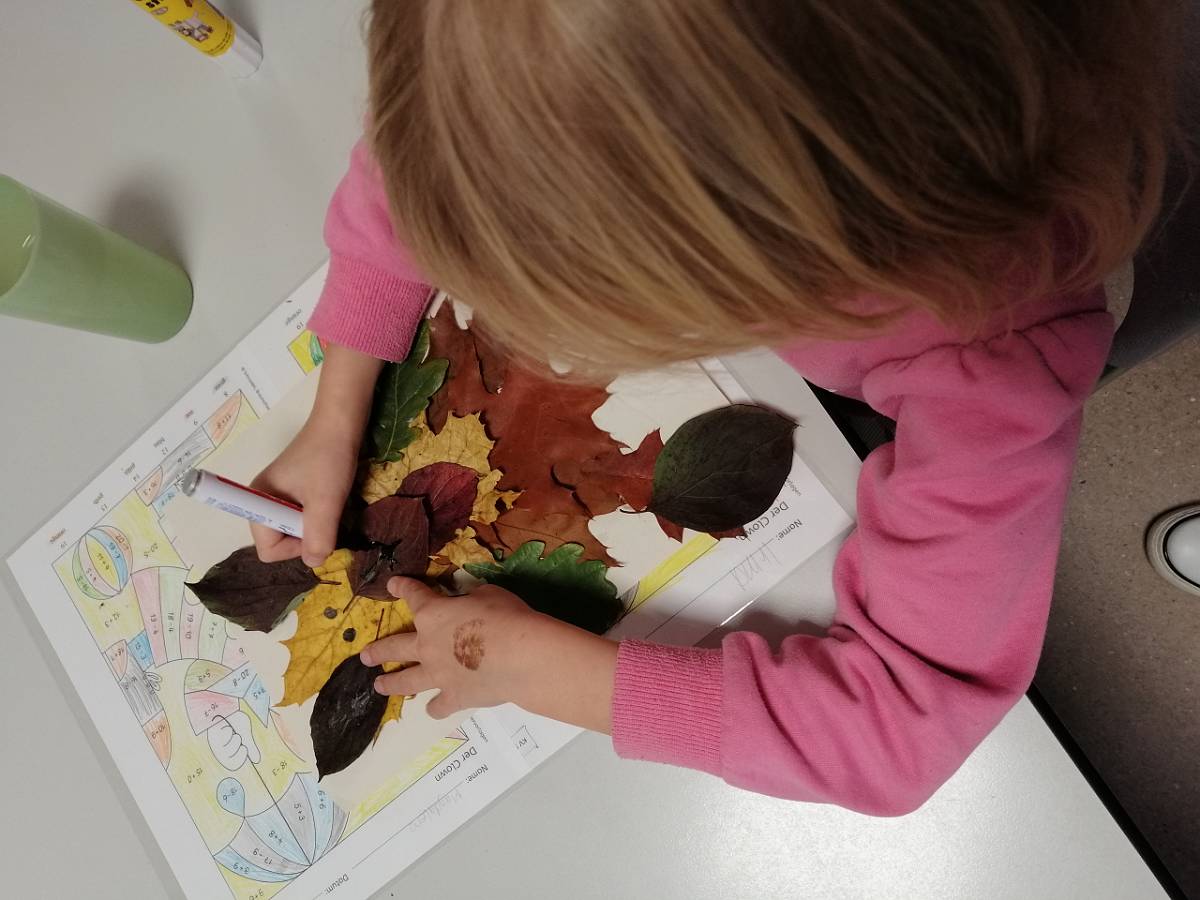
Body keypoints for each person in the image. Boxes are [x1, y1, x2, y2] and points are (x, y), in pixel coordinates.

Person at [250, 1, 1183, 815]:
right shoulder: (538, 59)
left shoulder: (995, 355)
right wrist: (335, 417)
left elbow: (899, 731)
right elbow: (428, 159)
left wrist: (544, 672)